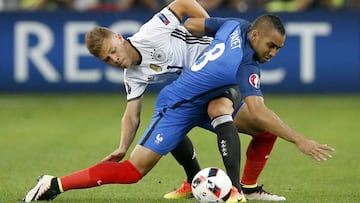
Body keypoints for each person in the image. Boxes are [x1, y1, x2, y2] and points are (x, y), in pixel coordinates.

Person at [23, 5, 336, 203]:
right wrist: (300, 140)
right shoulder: (243, 62)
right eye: (271, 46)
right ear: (255, 35)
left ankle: (242, 190)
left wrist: (194, 45)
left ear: (119, 38)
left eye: (278, 48)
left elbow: (196, 23)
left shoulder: (231, 27)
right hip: (178, 101)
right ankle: (54, 184)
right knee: (133, 171)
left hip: (207, 90)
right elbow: (132, 113)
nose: (273, 53)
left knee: (229, 113)